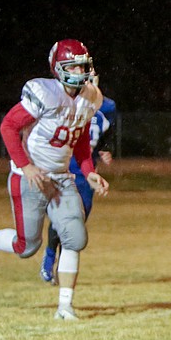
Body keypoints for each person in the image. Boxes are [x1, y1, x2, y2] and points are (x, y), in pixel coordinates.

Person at [0, 39, 110, 321]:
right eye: (75, 65)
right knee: (26, 247)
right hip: (29, 178)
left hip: (61, 179)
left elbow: (78, 136)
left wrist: (89, 170)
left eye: (84, 64)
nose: (82, 70)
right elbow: (8, 126)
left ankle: (65, 307)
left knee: (74, 237)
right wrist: (26, 166)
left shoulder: (91, 96)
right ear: (59, 69)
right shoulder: (44, 92)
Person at [40, 95, 117, 285]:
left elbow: (106, 132)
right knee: (62, 218)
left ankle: (62, 268)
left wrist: (105, 149)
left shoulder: (107, 106)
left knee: (77, 222)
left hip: (85, 172)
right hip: (63, 168)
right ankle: (50, 258)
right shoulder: (63, 99)